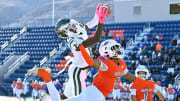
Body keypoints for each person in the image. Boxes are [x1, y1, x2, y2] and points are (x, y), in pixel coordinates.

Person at [29, 39, 165, 101]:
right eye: (114, 48)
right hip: (95, 94)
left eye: (117, 47)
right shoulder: (105, 62)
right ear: (107, 51)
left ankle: (46, 77)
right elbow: (90, 62)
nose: (118, 49)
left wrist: (150, 85)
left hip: (94, 93)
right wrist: (81, 48)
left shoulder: (121, 64)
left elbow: (131, 78)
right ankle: (46, 78)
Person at [28, 3, 110, 100]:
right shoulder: (73, 41)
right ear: (66, 33)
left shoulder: (78, 29)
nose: (74, 25)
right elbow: (95, 39)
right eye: (70, 27)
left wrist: (98, 13)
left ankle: (47, 79)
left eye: (72, 24)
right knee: (81, 99)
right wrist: (101, 22)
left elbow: (92, 22)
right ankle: (46, 78)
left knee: (64, 97)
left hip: (79, 68)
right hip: (78, 71)